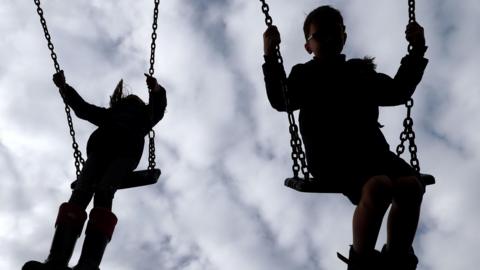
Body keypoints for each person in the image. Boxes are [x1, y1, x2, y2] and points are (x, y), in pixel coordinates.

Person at [262, 5, 428, 270]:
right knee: (378, 187)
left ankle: (397, 258)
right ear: (308, 46)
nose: (328, 38)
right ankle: (361, 261)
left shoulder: (359, 72)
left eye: (334, 32)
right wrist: (270, 56)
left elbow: (397, 91)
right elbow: (281, 100)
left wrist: (417, 50)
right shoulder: (304, 74)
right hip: (331, 156)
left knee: (411, 187)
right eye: (320, 35)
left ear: (344, 36)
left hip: (374, 152)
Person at [23, 71, 167, 270]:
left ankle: (87, 263)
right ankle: (57, 260)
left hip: (123, 154)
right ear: (120, 105)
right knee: (82, 191)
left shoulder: (144, 118)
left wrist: (156, 89)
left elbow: (158, 108)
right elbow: (83, 109)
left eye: (133, 105)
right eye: (126, 104)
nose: (129, 108)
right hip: (102, 153)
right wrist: (65, 89)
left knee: (102, 191)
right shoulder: (111, 115)